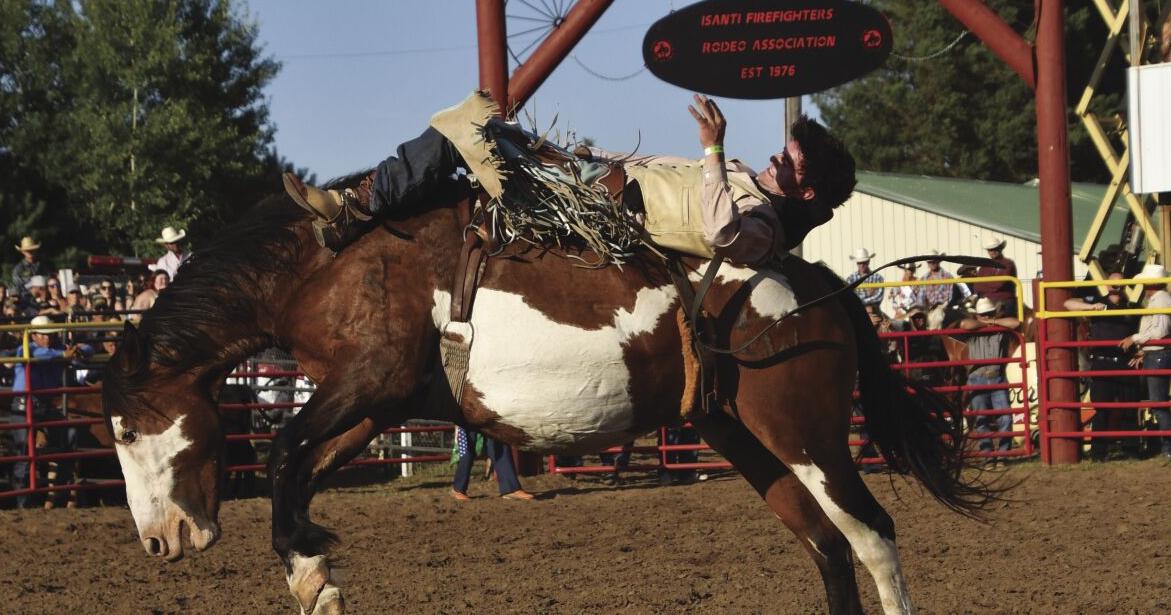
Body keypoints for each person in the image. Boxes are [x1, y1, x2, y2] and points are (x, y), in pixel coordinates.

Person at [282, 92, 856, 266]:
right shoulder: (741, 181)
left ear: (805, 192)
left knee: (466, 132)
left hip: (601, 212)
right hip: (592, 181)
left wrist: (712, 150)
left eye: (790, 162)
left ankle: (356, 207)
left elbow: (722, 236)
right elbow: (654, 168)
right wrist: (582, 155)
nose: (776, 160)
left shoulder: (763, 226)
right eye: (783, 151)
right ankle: (359, 206)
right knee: (473, 124)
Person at [4, 315, 93, 508]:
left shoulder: (55, 349)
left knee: (69, 437)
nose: (48, 338)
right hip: (24, 405)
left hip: (45, 405)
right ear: (33, 335)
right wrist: (64, 355)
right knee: (24, 455)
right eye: (44, 336)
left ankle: (55, 494)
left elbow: (88, 349)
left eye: (51, 335)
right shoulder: (27, 349)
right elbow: (43, 355)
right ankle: (22, 504)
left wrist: (79, 350)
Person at [1064, 272, 1141, 460]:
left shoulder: (1133, 307)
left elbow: (1144, 330)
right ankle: (1098, 453)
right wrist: (1091, 307)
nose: (1117, 286)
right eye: (1113, 283)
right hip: (1103, 362)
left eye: (1120, 282)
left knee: (1129, 409)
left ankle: (1131, 451)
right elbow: (1067, 304)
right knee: (1101, 410)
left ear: (1125, 285)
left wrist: (1142, 352)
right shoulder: (1097, 301)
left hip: (1125, 362)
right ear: (1106, 285)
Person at [1119, 263, 1171, 461]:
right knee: (1159, 403)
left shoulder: (1160, 301)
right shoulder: (1161, 299)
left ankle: (1168, 447)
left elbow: (1159, 332)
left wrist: (1135, 338)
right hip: (1157, 353)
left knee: (1158, 403)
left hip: (1158, 356)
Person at [959, 297, 1021, 462]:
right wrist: (989, 324)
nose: (986, 316)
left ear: (993, 313)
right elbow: (964, 324)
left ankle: (1002, 454)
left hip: (995, 376)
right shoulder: (976, 329)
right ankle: (988, 455)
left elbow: (1016, 323)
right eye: (983, 314)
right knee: (981, 419)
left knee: (1005, 417)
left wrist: (992, 322)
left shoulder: (998, 326)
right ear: (978, 315)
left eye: (989, 314)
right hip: (978, 378)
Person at [449, 426, 534, 501]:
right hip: (466, 414)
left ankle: (511, 489)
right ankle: (458, 489)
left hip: (487, 413)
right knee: (467, 452)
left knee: (499, 444)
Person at [971, 236, 1019, 317]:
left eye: (995, 249)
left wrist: (984, 284)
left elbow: (999, 284)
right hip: (986, 301)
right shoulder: (984, 266)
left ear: (1000, 249)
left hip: (1004, 300)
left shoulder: (1008, 264)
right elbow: (977, 286)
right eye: (990, 250)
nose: (992, 252)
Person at [11, 236, 44, 304]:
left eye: (32, 250)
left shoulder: (42, 265)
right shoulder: (18, 269)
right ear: (23, 252)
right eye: (27, 251)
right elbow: (17, 285)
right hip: (26, 300)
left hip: (42, 298)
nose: (30, 252)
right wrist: (31, 289)